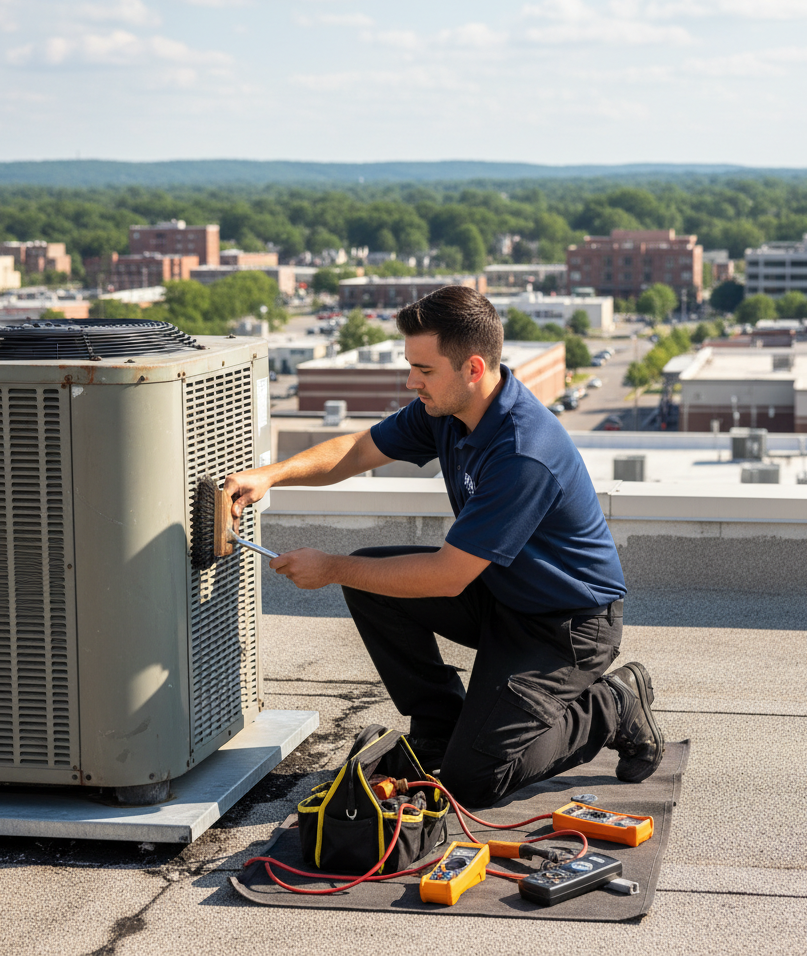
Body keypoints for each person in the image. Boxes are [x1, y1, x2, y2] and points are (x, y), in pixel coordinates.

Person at [225, 286, 663, 807]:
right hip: (500, 595)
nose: (412, 382)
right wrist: (271, 476)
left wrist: (332, 567)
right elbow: (356, 449)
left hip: (566, 627)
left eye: (424, 370)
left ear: (473, 369)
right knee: (373, 582)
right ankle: (440, 727)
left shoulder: (523, 454)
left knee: (475, 782)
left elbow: (446, 576)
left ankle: (614, 703)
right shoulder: (445, 414)